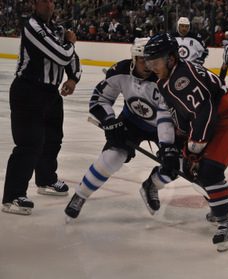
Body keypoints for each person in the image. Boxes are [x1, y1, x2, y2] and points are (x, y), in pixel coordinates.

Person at [143, 33, 228, 252]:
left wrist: (194, 151)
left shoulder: (181, 79)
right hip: (213, 119)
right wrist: (175, 145)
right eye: (149, 62)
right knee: (187, 166)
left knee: (209, 170)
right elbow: (182, 114)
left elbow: (205, 113)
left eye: (156, 61)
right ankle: (153, 185)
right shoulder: (167, 78)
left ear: (171, 58)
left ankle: (226, 224)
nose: (152, 66)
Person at [64, 38, 178, 219]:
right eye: (143, 59)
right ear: (133, 58)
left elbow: (171, 115)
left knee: (177, 163)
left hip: (165, 126)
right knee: (113, 156)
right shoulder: (120, 71)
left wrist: (168, 147)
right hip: (132, 121)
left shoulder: (166, 78)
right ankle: (81, 195)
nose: (148, 65)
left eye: (152, 60)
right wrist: (110, 121)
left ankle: (152, 185)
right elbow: (100, 100)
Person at [2, 0, 81, 215]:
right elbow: (62, 54)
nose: (50, 5)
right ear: (35, 4)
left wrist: (73, 78)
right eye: (45, 1)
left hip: (50, 93)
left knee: (53, 139)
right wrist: (70, 43)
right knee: (29, 143)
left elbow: (72, 59)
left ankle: (46, 180)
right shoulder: (32, 26)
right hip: (28, 91)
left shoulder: (57, 29)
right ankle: (12, 196)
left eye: (52, 1)